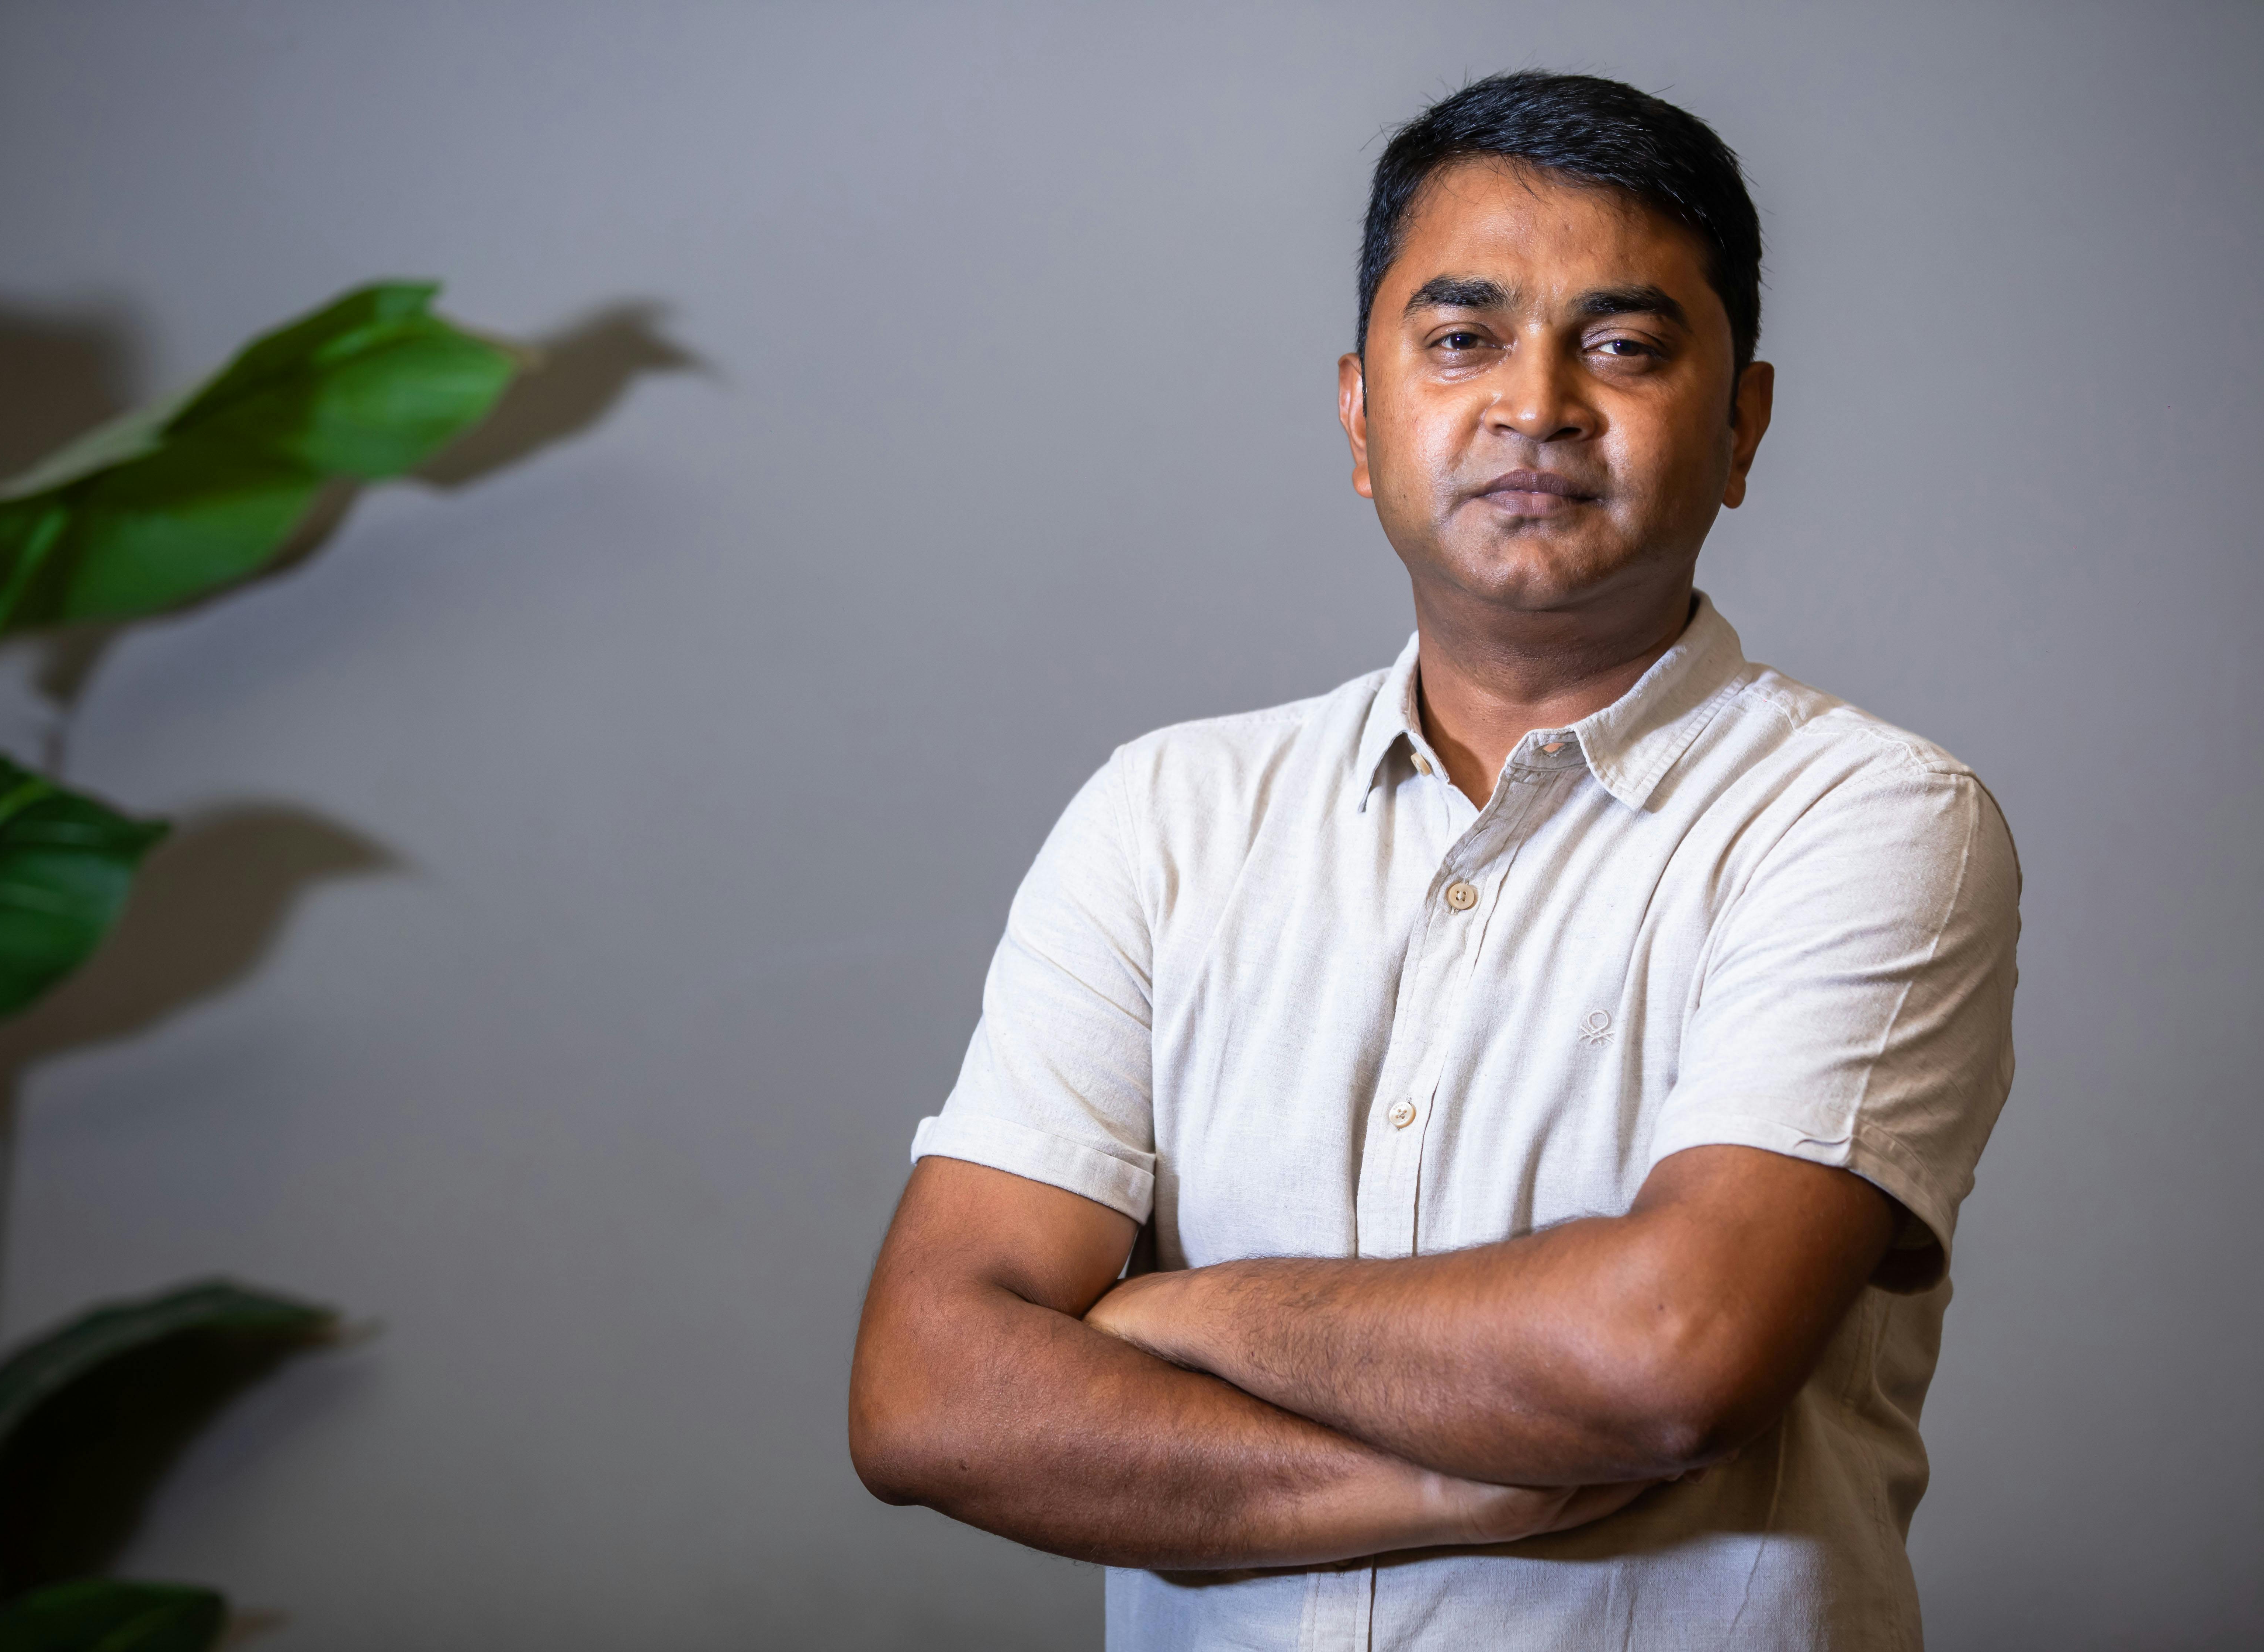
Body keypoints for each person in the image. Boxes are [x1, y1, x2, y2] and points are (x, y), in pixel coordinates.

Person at [848, 69, 2019, 1651]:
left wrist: (1179, 1312)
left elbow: (1674, 1349)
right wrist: (1473, 1485)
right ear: (1361, 413)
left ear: (1741, 424)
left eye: (1622, 343)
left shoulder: (1867, 820)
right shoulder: (1168, 816)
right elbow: (927, 1392)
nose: (1535, 403)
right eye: (1463, 338)